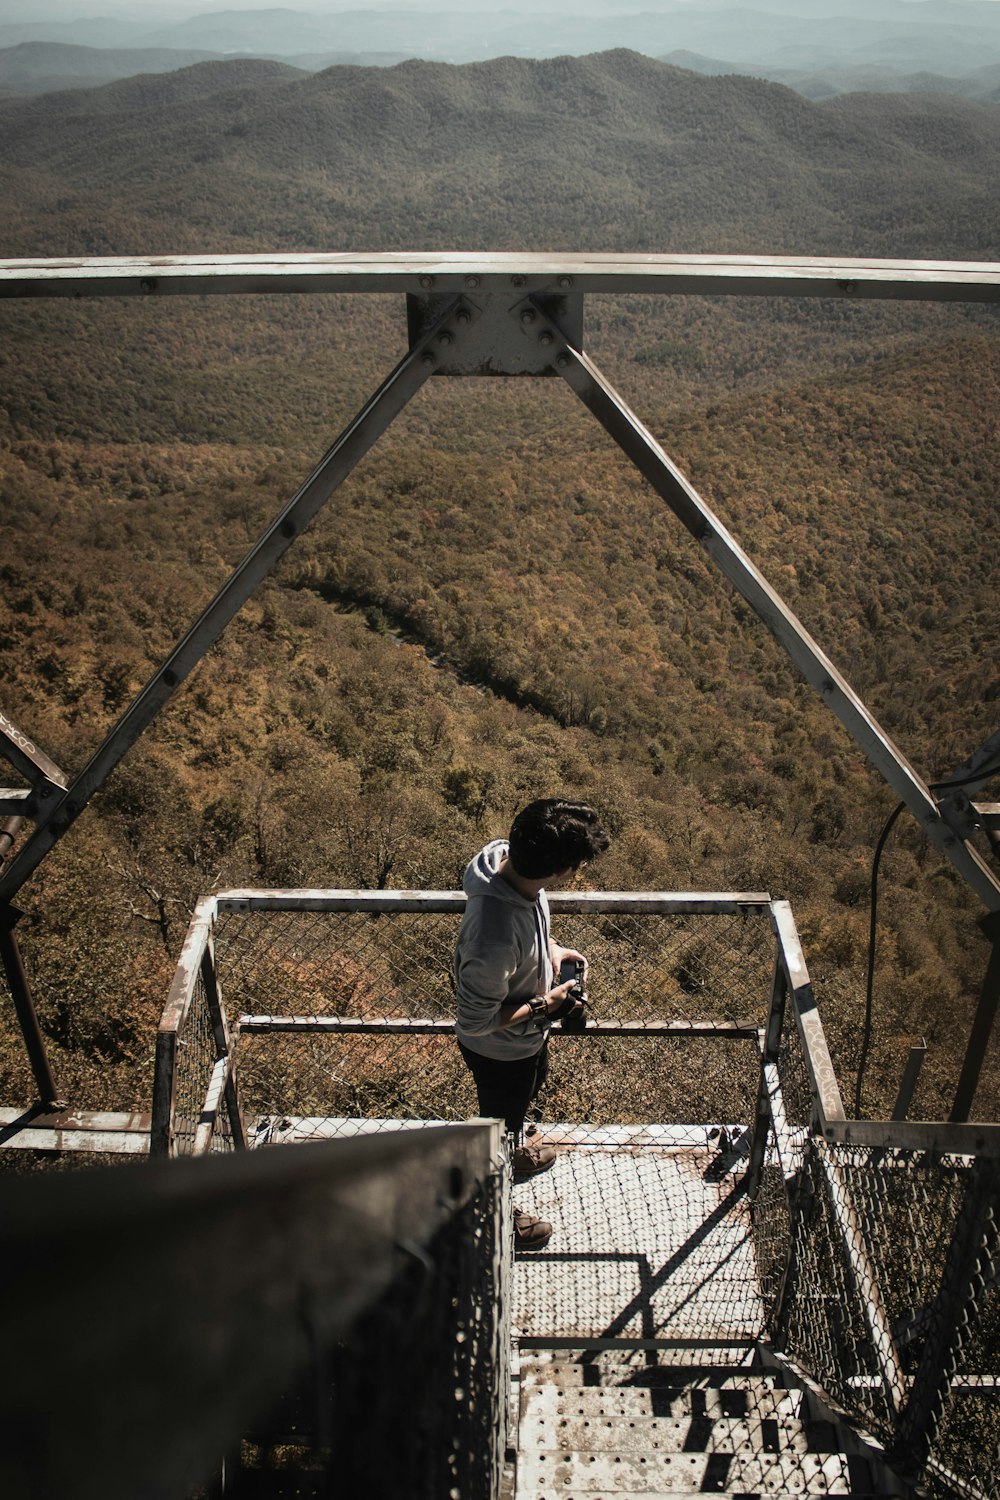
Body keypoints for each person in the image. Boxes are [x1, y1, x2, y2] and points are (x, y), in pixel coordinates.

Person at [453, 797, 611, 1250]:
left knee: (522, 1101)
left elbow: (530, 922)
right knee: (496, 1126)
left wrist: (554, 951)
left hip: (524, 1042)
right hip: (499, 1051)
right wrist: (549, 1003)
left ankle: (514, 1146)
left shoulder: (505, 862)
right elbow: (477, 1021)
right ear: (560, 872)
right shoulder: (493, 936)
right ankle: (492, 1215)